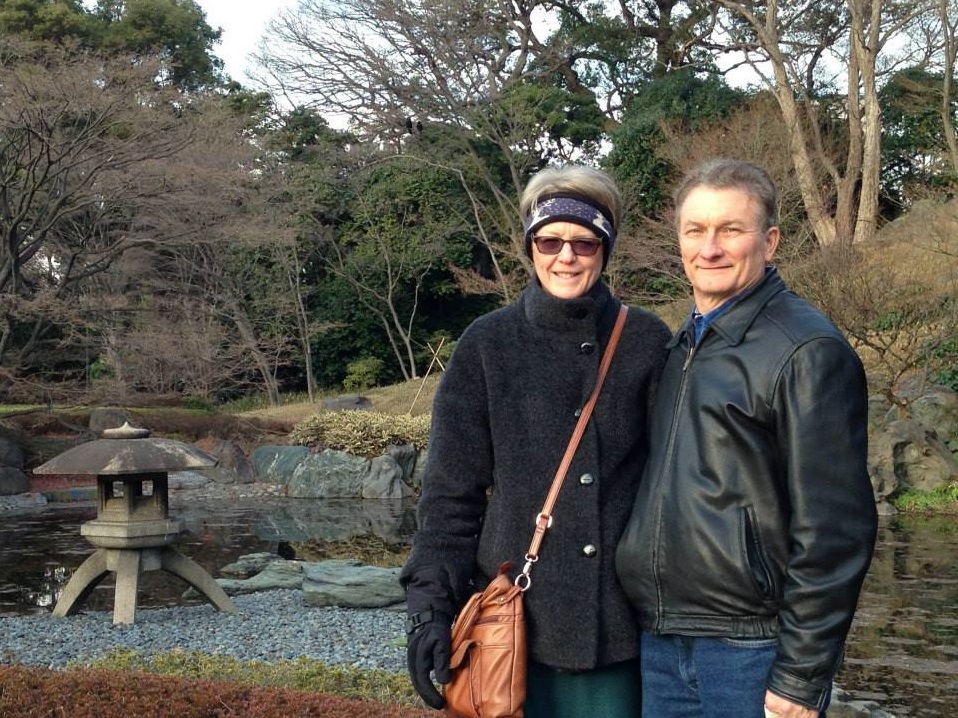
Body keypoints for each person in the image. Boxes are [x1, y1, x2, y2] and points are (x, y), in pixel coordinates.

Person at [400, 165, 672, 716]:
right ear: (530, 246)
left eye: (584, 242)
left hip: (618, 626)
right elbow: (452, 494)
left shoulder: (646, 340)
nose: (565, 256)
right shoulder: (488, 344)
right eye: (550, 240)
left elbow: (672, 485)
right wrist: (429, 611)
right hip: (514, 623)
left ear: (605, 249)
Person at [615, 159, 878, 718]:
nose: (709, 248)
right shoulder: (681, 343)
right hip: (663, 637)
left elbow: (834, 531)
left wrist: (801, 680)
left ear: (770, 241)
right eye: (695, 230)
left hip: (749, 648)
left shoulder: (806, 352)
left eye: (730, 230)